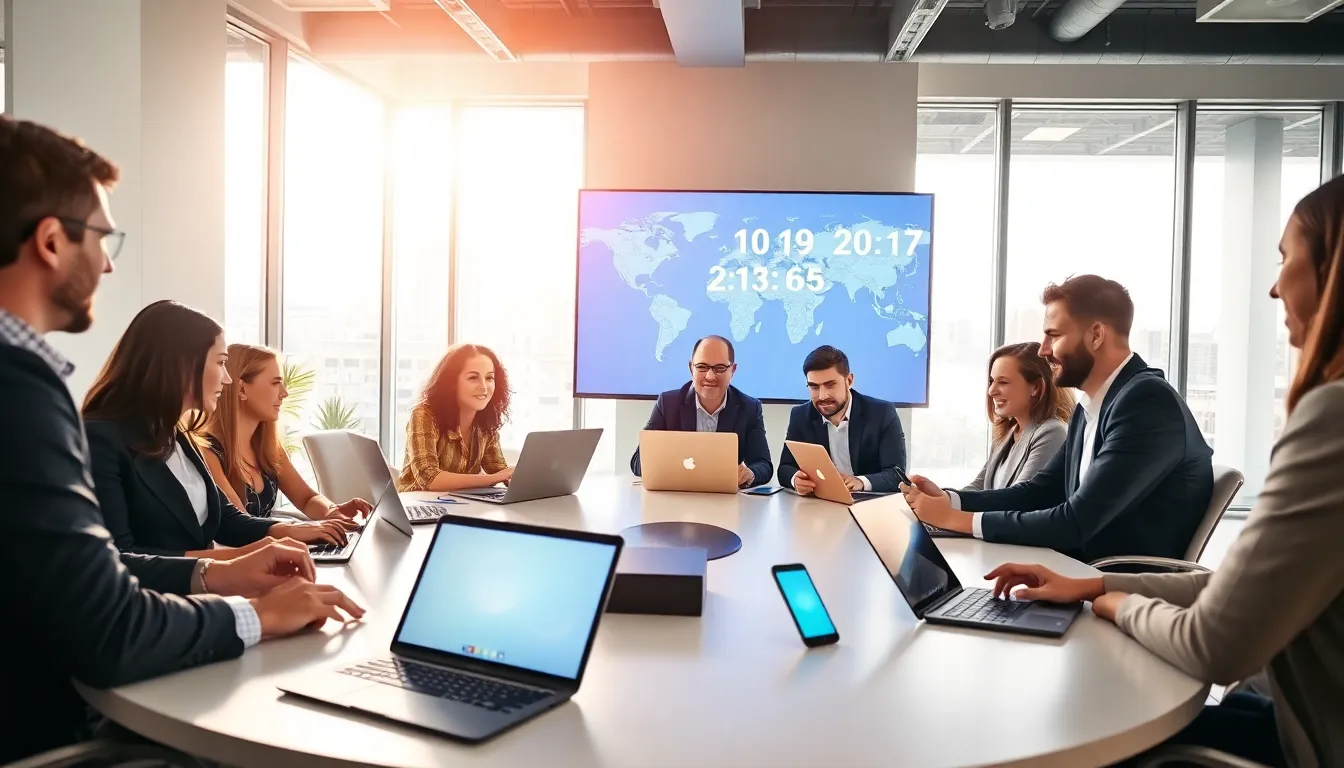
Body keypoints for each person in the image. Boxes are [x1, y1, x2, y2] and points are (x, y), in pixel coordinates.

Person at [0, 115, 363, 762]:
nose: (109, 264)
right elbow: (108, 627)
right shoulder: (20, 391)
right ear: (51, 242)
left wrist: (212, 572)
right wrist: (260, 615)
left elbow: (93, 574)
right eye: (103, 238)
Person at [986, 176, 1344, 768]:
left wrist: (1117, 604)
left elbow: (1217, 643)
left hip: (1302, 738)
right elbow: (1235, 590)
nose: (1276, 287)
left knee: (1062, 734)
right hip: (1281, 705)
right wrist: (1096, 586)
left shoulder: (1329, 417)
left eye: (1287, 259)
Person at [902, 275, 1213, 564]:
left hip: (1116, 585)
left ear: (1096, 334)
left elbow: (1076, 522)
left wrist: (955, 520)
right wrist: (951, 500)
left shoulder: (1146, 403)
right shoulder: (1091, 407)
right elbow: (1039, 492)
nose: (1044, 349)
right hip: (1075, 570)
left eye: (1054, 335)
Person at [84, 300, 356, 557]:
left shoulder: (178, 437)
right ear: (183, 364)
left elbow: (226, 519)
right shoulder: (102, 439)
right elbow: (119, 558)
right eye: (221, 363)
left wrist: (290, 530)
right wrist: (235, 563)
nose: (226, 379)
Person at [202, 343, 372, 521]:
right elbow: (243, 525)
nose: (284, 393)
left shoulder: (267, 448)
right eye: (275, 383)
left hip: (276, 545)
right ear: (241, 388)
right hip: (252, 547)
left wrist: (332, 511)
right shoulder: (209, 452)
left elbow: (307, 499)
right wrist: (308, 531)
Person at [629, 335, 772, 488]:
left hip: (725, 502)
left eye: (720, 368)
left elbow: (763, 465)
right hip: (676, 499)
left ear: (733, 370)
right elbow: (637, 462)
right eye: (702, 367)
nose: (710, 376)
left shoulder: (749, 408)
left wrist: (749, 474)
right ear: (691, 368)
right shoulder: (668, 403)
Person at [778, 345, 907, 494]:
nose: (822, 396)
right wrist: (795, 479)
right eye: (814, 387)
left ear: (849, 380)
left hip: (869, 504)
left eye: (830, 385)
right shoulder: (800, 415)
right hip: (822, 505)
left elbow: (897, 474)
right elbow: (785, 468)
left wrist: (860, 482)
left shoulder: (882, 413)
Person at [398, 343, 513, 492]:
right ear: (451, 382)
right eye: (473, 378)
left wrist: (517, 477)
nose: (484, 387)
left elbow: (498, 470)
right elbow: (429, 478)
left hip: (460, 506)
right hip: (417, 506)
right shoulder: (424, 415)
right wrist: (493, 479)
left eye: (489, 378)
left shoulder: (485, 421)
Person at [963, 341, 1072, 492]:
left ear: (1036, 387)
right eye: (992, 381)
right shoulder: (1007, 432)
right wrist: (937, 496)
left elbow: (1018, 498)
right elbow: (979, 486)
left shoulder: (1053, 432)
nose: (991, 391)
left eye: (1003, 382)